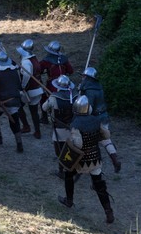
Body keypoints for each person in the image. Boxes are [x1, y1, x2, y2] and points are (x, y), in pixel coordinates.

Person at [58, 95, 115, 224]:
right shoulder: (97, 120)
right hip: (95, 159)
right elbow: (106, 134)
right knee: (99, 186)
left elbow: (78, 144)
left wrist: (70, 141)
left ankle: (69, 200)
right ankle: (108, 212)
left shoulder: (76, 124)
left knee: (68, 175)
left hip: (81, 161)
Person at [78, 67, 121, 173]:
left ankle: (97, 172)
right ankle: (115, 159)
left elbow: (89, 108)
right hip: (104, 116)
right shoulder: (98, 87)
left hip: (94, 119)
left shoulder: (90, 91)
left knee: (90, 145)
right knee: (106, 140)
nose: (82, 78)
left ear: (88, 78)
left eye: (84, 76)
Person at [42, 75, 78, 179]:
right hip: (72, 127)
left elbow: (44, 108)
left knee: (60, 150)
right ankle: (70, 168)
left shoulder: (54, 97)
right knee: (71, 148)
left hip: (59, 128)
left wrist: (50, 100)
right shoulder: (76, 96)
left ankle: (62, 170)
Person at [0, 51, 24, 153]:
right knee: (15, 122)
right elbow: (18, 85)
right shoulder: (14, 71)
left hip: (2, 102)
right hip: (15, 100)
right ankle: (19, 144)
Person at [39, 40, 74, 124]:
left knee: (44, 99)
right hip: (65, 83)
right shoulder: (64, 59)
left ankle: (45, 118)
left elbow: (39, 69)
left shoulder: (46, 60)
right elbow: (71, 71)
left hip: (53, 84)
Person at [16, 39, 44, 139]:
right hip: (38, 88)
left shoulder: (26, 62)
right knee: (34, 111)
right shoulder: (34, 58)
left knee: (18, 106)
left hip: (30, 90)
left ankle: (26, 126)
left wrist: (22, 86)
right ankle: (37, 131)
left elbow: (27, 76)